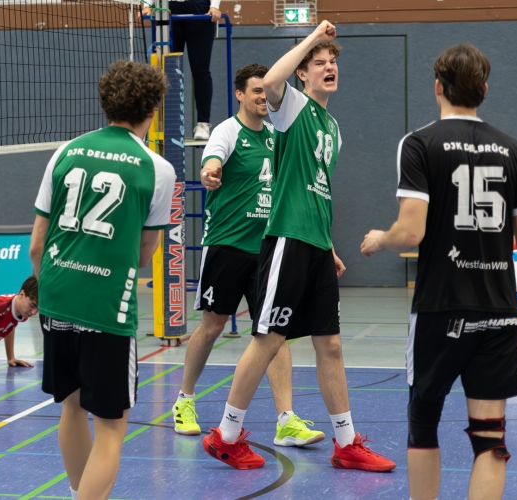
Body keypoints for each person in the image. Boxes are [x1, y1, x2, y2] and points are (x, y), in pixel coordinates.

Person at [202, 21, 395, 472]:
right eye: (319, 63)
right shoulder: (291, 106)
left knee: (331, 345)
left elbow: (316, 190)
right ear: (303, 73)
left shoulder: (333, 128)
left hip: (316, 244)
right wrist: (311, 38)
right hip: (287, 240)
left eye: (333, 62)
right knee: (268, 339)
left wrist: (329, 246)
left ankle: (346, 443)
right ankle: (226, 435)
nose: (329, 67)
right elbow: (272, 81)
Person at [360, 43, 517, 500]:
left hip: (440, 309)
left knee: (423, 425)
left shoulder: (419, 143)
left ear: (438, 87)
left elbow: (411, 232)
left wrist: (380, 238)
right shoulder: (513, 150)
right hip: (498, 311)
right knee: (490, 439)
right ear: (484, 90)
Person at [29, 61, 174, 500]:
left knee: (71, 407)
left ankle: (80, 492)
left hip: (56, 297)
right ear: (152, 109)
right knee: (112, 427)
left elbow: (37, 244)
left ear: (105, 102)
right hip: (107, 307)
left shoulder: (65, 152)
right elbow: (144, 254)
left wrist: (52, 293)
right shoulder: (157, 169)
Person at [172, 63, 324, 447]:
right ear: (240, 94)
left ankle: (286, 420)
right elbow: (212, 160)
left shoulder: (277, 135)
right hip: (226, 245)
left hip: (268, 250)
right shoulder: (227, 131)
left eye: (265, 91)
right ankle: (184, 399)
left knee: (274, 333)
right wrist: (209, 172)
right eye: (256, 91)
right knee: (212, 326)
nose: (262, 97)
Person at [142, 0, 221, 140]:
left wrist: (214, 6)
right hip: (168, 11)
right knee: (168, 72)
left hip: (200, 12)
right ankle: (171, 124)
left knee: (201, 72)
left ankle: (203, 124)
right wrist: (147, 5)